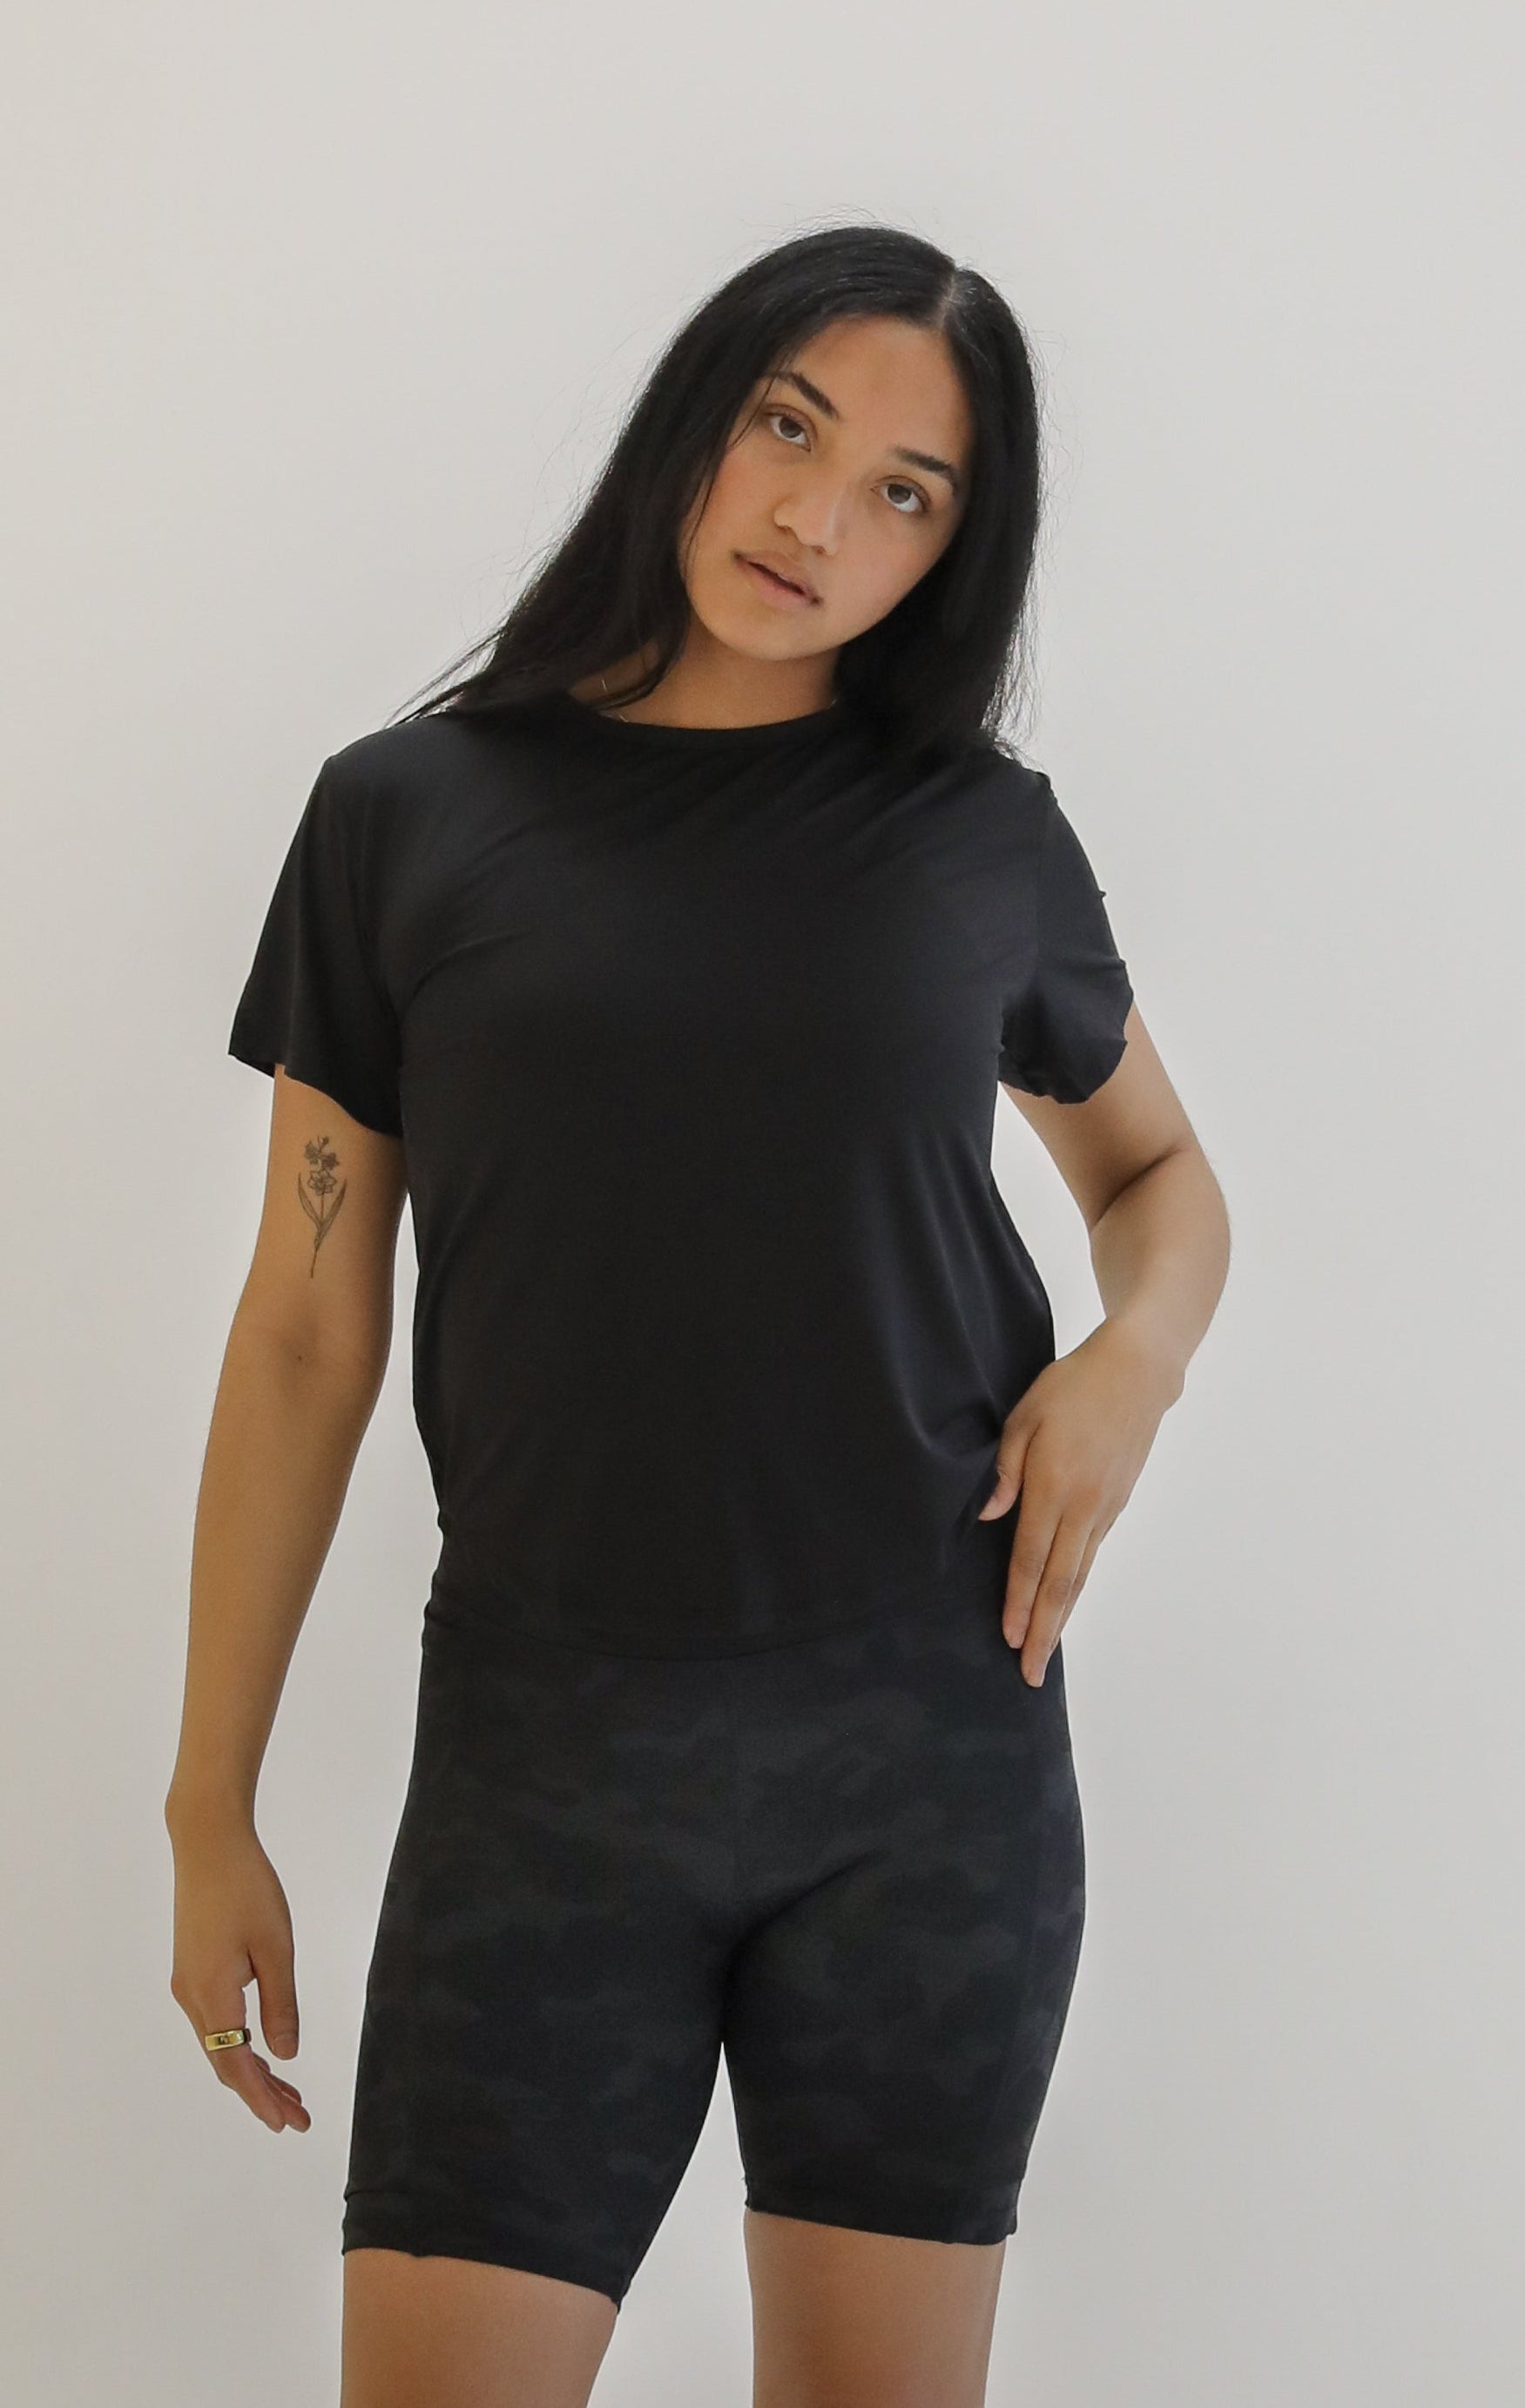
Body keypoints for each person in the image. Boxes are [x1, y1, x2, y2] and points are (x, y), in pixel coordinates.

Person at [165, 222, 1230, 2408]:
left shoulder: (979, 838)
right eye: (788, 427)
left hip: (929, 1746)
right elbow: (301, 1332)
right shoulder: (406, 815)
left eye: (904, 491)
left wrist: (1132, 1359)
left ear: (951, 549)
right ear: (700, 417)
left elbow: (1158, 1182)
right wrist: (209, 1800)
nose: (818, 518)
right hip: (544, 1758)